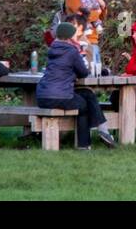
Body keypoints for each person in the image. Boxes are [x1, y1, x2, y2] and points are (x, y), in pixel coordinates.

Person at [37, 21, 115, 150]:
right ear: (69, 37)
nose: (76, 37)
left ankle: (103, 131)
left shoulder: (52, 50)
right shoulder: (72, 51)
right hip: (60, 96)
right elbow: (83, 73)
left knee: (87, 94)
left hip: (42, 96)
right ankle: (87, 143)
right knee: (83, 106)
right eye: (74, 35)